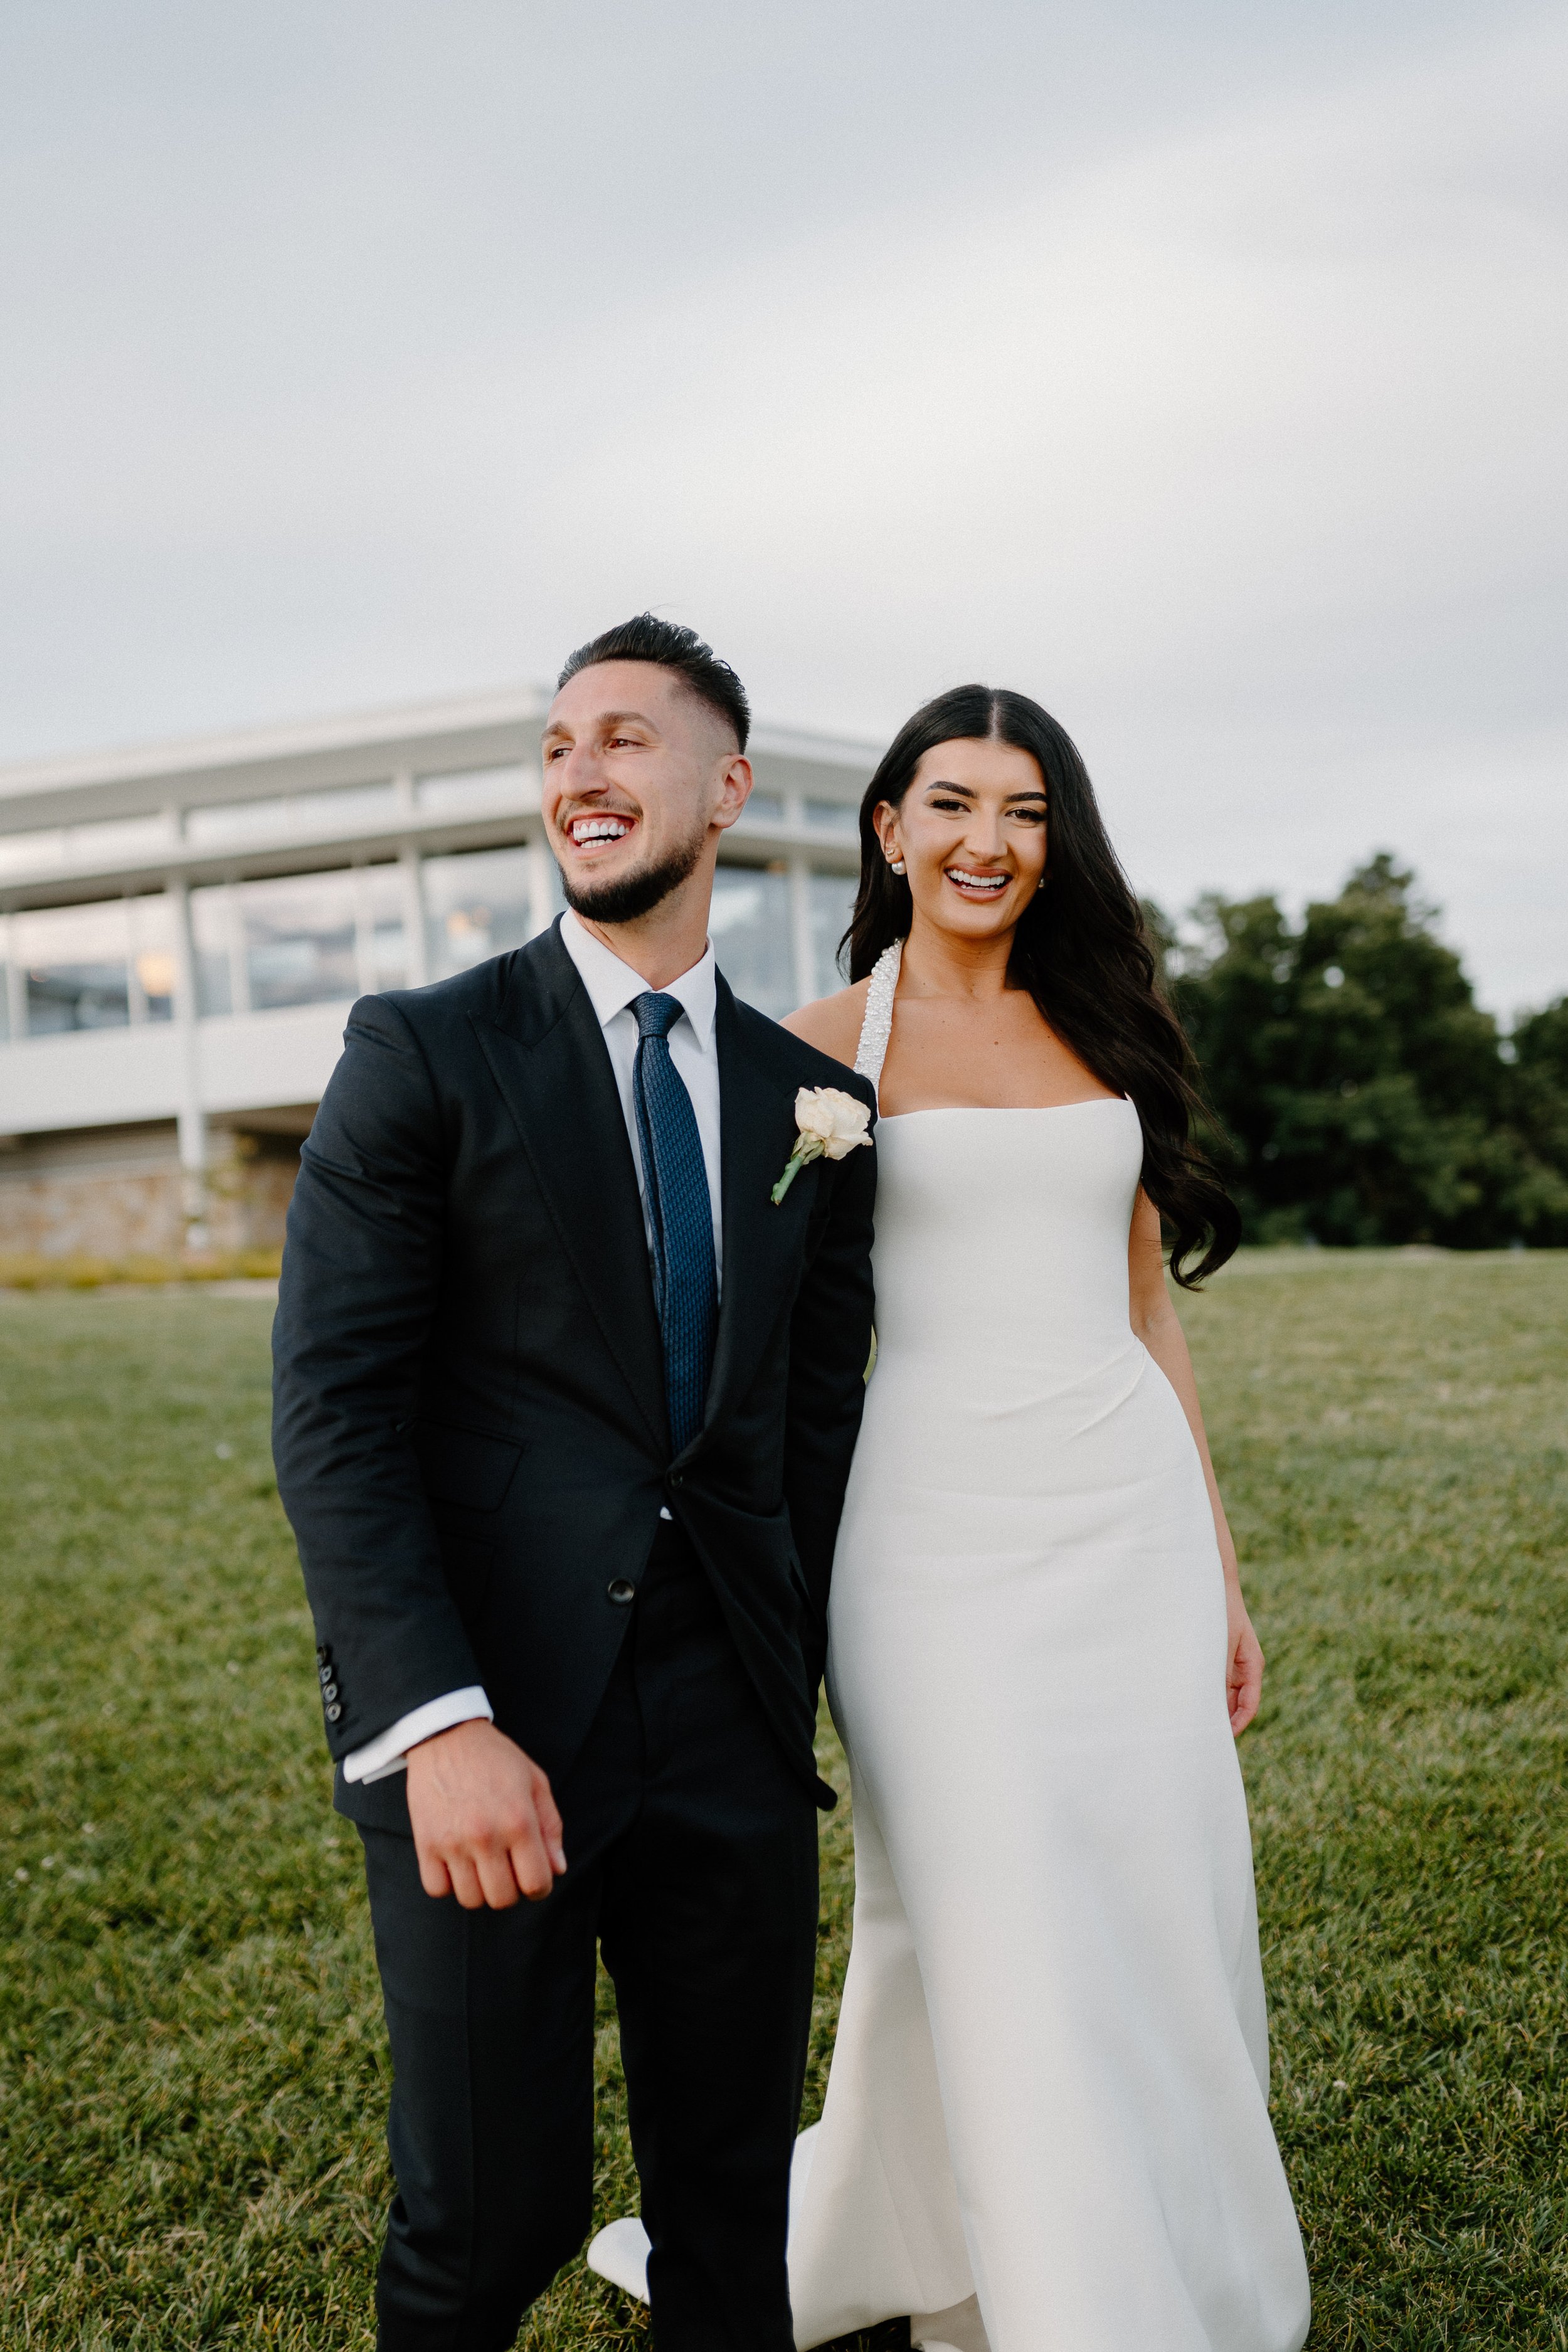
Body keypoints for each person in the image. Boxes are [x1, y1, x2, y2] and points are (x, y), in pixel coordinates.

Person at [591, 684, 1311, 2351]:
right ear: (890, 828)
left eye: (1026, 810)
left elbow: (1146, 1307)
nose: (989, 840)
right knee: (985, 1903)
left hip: (1119, 1520)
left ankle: (1150, 2263)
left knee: (1151, 1898)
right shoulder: (816, 1049)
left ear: (1054, 846)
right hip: (920, 1547)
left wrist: (1218, 1572)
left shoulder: (1108, 1032)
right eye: (955, 803)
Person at [270, 615, 878, 2352]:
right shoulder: (425, 1050)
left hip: (732, 1738)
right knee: (485, 2226)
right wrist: (433, 1721)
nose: (578, 776)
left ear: (726, 784)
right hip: (493, 1720)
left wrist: (795, 1687)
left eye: (621, 738)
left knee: (729, 2221)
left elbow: (810, 1427)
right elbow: (333, 1411)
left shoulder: (812, 1098)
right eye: (554, 749)